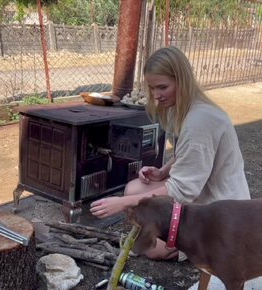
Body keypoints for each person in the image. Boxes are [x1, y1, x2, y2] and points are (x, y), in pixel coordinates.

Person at [90, 46, 250, 259]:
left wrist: (121, 204)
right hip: (201, 195)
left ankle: (191, 244)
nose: (156, 95)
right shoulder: (184, 107)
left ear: (182, 80)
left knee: (151, 249)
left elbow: (183, 190)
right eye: (151, 88)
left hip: (219, 210)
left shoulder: (200, 122)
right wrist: (163, 171)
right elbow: (188, 154)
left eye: (162, 87)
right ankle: (172, 235)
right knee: (134, 189)